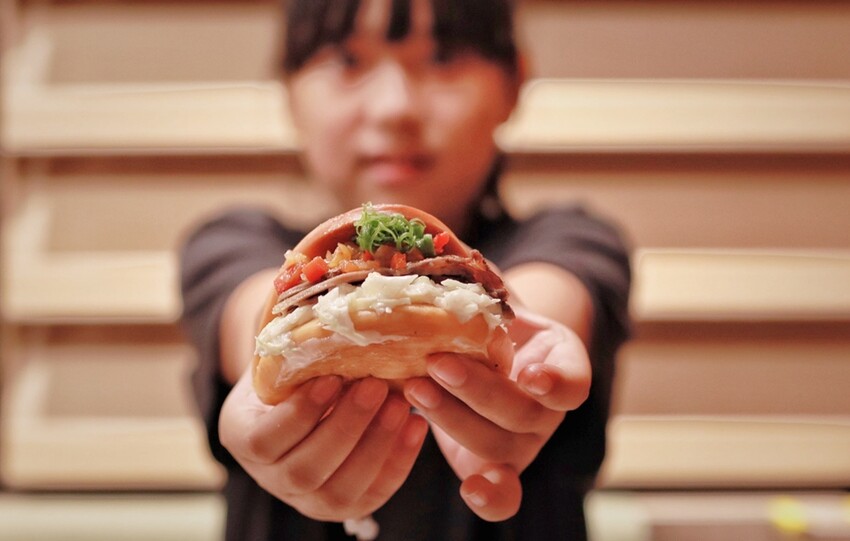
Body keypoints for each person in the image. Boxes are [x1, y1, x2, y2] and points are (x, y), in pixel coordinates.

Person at [180, 0, 631, 539]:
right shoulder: (228, 244)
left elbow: (552, 298)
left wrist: (522, 347)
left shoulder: (575, 240)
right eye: (346, 61)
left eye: (443, 57)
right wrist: (273, 361)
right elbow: (248, 316)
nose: (394, 108)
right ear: (289, 94)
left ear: (514, 85)